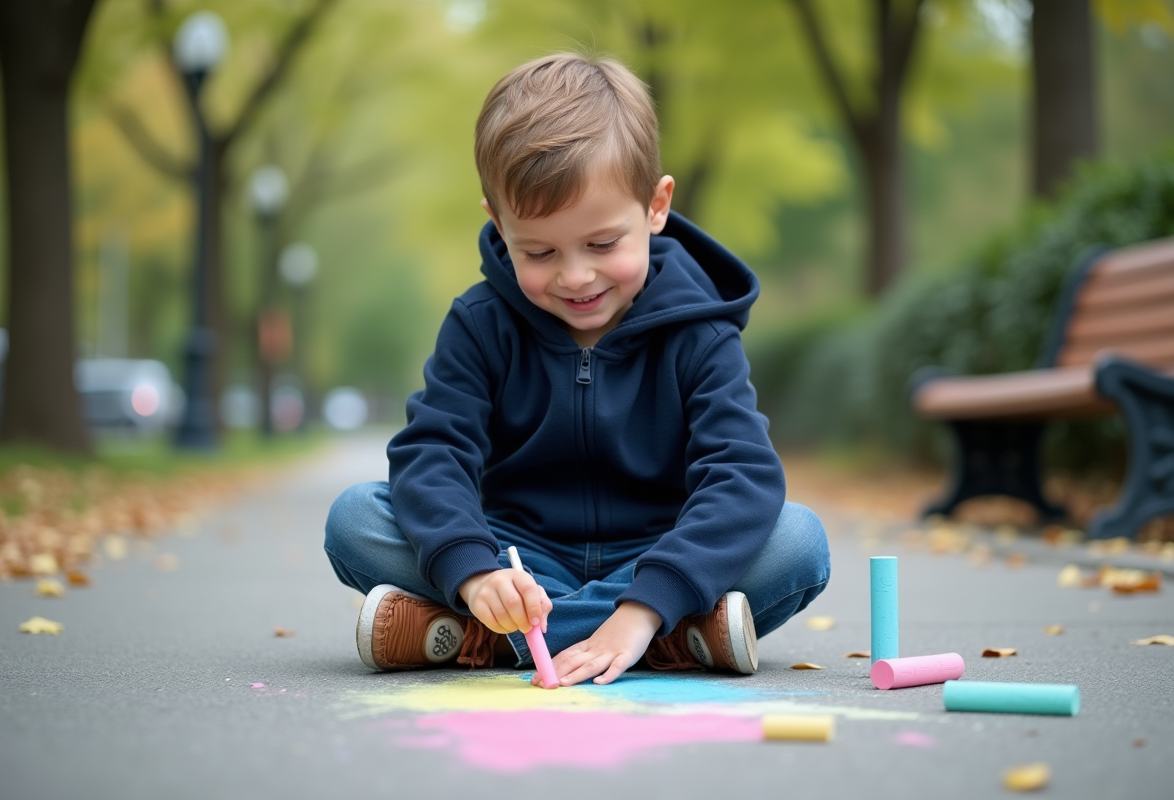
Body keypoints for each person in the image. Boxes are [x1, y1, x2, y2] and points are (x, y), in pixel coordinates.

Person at [324, 53, 830, 687]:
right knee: (355, 519)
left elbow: (742, 474)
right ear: (498, 226)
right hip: (517, 557)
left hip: (655, 553)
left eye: (601, 244)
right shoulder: (481, 323)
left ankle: (524, 637)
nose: (575, 276)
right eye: (538, 251)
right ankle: (671, 638)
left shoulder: (698, 329)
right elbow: (434, 451)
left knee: (796, 541)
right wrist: (476, 572)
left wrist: (645, 601)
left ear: (655, 205)